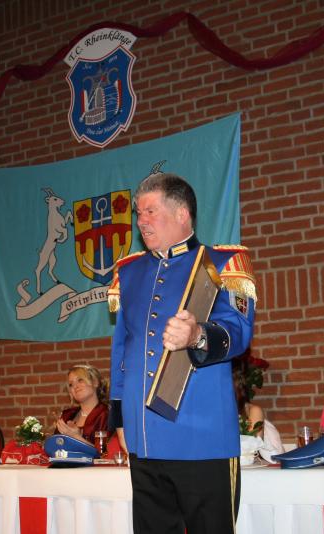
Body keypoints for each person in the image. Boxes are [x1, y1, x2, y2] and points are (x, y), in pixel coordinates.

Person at [107, 172, 256, 534]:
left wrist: (197, 335)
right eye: (139, 213)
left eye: (151, 211)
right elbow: (121, 351)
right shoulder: (128, 273)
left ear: (182, 214)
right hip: (144, 438)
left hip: (202, 438)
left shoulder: (223, 265)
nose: (141, 221)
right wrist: (120, 418)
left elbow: (239, 334)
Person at [55, 364, 109, 445]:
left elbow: (106, 451)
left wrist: (76, 437)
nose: (75, 386)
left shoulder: (107, 414)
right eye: (71, 384)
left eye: (80, 380)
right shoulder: (66, 415)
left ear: (95, 382)